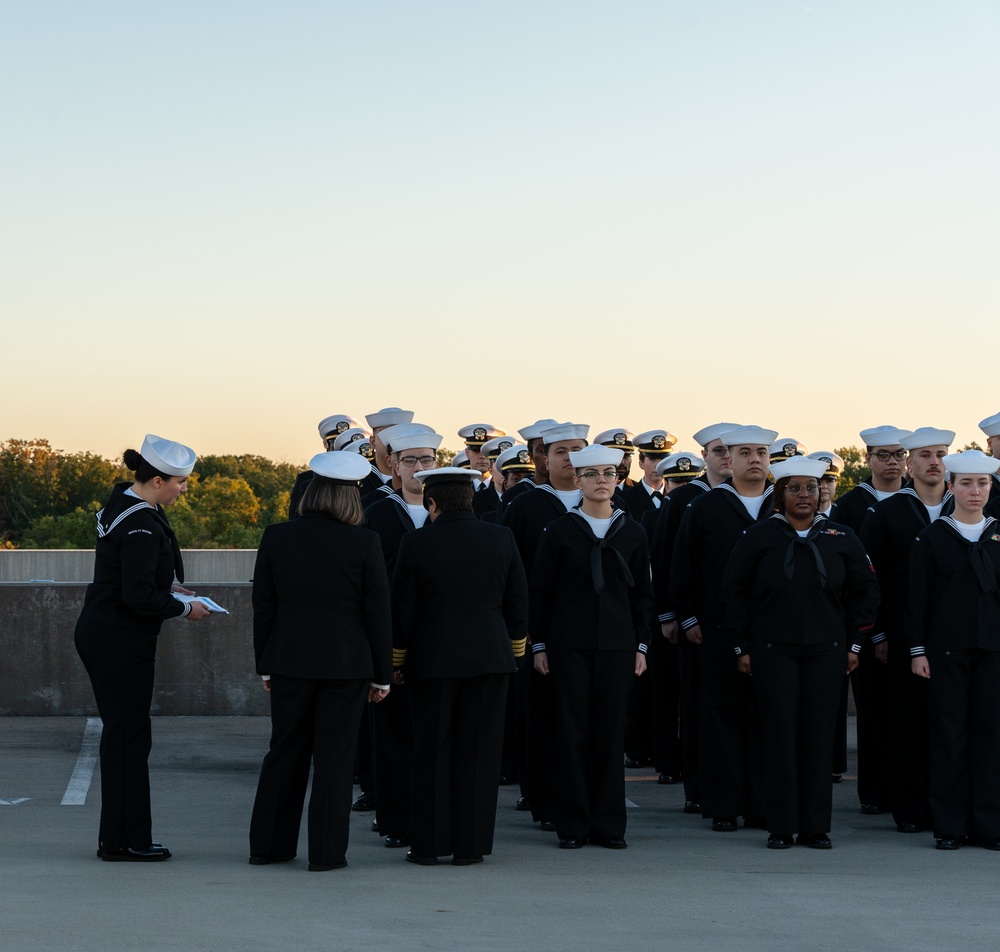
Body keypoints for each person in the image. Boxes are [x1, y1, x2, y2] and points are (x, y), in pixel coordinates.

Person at [722, 457, 879, 849]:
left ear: (822, 493)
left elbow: (866, 593)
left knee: (818, 737)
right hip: (773, 650)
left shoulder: (842, 537)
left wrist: (854, 643)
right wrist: (742, 646)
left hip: (828, 651)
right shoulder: (758, 537)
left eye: (812, 488)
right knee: (780, 736)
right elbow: (734, 594)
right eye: (795, 488)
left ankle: (815, 827)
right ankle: (780, 826)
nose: (805, 495)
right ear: (781, 494)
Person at [248, 451, 392, 872]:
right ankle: (327, 854)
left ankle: (269, 847)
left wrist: (266, 665)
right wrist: (382, 675)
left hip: (289, 660)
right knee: (334, 758)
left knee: (284, 751)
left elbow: (265, 605)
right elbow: (376, 612)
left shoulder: (277, 536)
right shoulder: (365, 542)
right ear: (351, 499)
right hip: (347, 665)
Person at [74, 434, 211, 862]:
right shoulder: (141, 523)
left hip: (107, 631)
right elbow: (136, 596)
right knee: (128, 739)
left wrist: (165, 584)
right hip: (120, 638)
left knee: (123, 737)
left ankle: (117, 837)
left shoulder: (128, 504)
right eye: (180, 482)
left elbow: (128, 577)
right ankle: (126, 841)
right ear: (156, 480)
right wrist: (184, 607)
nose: (184, 489)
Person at [391, 467, 528, 866]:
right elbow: (518, 601)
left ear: (431, 503)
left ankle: (430, 845)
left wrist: (396, 661)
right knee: (480, 754)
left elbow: (402, 610)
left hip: (432, 660)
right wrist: (514, 652)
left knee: (432, 752)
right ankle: (470, 847)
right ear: (470, 500)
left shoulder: (415, 543)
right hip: (489, 658)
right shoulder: (500, 537)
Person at [530, 444, 653, 849]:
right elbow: (541, 593)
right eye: (593, 474)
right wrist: (541, 645)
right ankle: (573, 825)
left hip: (618, 647)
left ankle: (608, 825)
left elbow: (643, 596)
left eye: (609, 473)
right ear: (578, 480)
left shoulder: (632, 531)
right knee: (571, 734)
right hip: (568, 646)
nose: (602, 480)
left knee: (609, 734)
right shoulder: (559, 531)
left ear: (618, 479)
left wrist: (641, 646)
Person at [670, 425, 777, 833]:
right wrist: (689, 617)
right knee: (722, 716)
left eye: (761, 452)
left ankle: (762, 803)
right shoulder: (707, 506)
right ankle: (724, 804)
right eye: (745, 452)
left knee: (766, 717)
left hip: (772, 631)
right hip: (717, 629)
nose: (755, 459)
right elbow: (684, 565)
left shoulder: (782, 503)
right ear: (728, 458)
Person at [860, 426, 955, 834]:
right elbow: (868, 579)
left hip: (957, 636)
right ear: (909, 463)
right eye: (926, 455)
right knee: (909, 722)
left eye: (940, 454)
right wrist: (878, 634)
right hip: (902, 636)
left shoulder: (971, 506)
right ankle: (912, 808)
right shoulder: (886, 512)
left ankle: (950, 804)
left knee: (952, 723)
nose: (934, 462)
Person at [908, 450, 1000, 850]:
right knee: (949, 736)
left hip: (994, 650)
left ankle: (989, 825)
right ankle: (950, 826)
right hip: (946, 651)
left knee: (991, 737)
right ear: (951, 487)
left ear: (991, 487)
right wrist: (918, 651)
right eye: (965, 483)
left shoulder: (999, 535)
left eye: (982, 483)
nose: (974, 491)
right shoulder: (932, 538)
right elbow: (916, 600)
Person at [830, 425, 912, 815]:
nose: (892, 462)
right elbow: (854, 577)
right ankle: (876, 792)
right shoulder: (851, 504)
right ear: (868, 459)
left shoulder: (933, 499)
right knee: (874, 712)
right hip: (869, 627)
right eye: (883, 455)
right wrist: (869, 632)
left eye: (898, 455)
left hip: (916, 626)